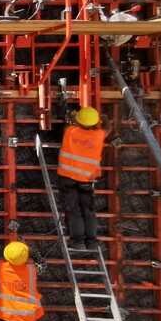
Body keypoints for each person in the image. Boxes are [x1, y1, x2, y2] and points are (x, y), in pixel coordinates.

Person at [57, 105, 106, 249]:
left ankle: (78, 241)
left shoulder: (70, 132)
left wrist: (72, 117)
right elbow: (107, 128)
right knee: (88, 210)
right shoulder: (99, 135)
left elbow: (69, 123)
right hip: (87, 179)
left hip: (68, 177)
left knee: (74, 210)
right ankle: (91, 241)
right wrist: (103, 120)